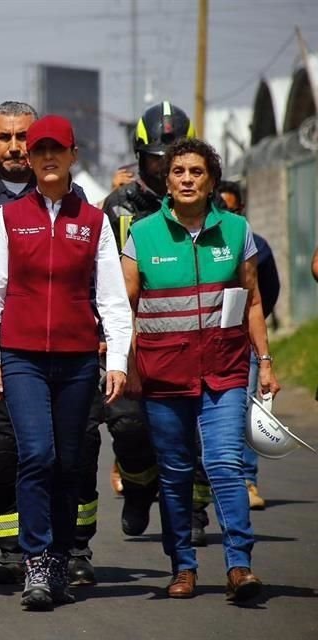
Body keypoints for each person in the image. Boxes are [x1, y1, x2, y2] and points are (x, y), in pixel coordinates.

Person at [0, 101, 103, 586]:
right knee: (0, 449)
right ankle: (14, 550)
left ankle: (74, 546)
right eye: (3, 137)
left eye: (22, 138)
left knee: (78, 448)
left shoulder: (68, 195)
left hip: (70, 346)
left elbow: (100, 274)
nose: (15, 147)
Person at [0, 115, 132, 611]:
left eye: (55, 150)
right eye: (38, 150)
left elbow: (111, 298)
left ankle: (61, 555)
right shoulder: (10, 217)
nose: (45, 157)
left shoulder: (93, 222)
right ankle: (37, 560)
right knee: (36, 455)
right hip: (21, 357)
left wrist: (119, 359)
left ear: (72, 155)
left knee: (70, 462)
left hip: (79, 359)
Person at [121, 138, 279, 601]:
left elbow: (253, 300)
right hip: (163, 375)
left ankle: (239, 566)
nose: (187, 179)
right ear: (166, 181)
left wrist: (264, 361)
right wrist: (126, 365)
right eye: (179, 172)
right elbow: (124, 305)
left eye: (197, 172)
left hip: (225, 370)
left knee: (225, 464)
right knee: (174, 472)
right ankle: (182, 568)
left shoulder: (236, 229)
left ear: (211, 181)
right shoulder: (143, 234)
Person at [101, 101, 196, 537]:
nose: (164, 170)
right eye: (156, 158)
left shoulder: (206, 205)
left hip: (192, 338)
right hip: (132, 340)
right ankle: (139, 488)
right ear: (140, 156)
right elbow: (96, 274)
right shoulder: (118, 207)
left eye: (172, 159)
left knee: (192, 430)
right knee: (129, 426)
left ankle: (192, 511)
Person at [187, 181, 280, 546]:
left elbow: (265, 293)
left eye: (230, 207)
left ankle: (246, 480)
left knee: (245, 410)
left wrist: (255, 338)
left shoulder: (252, 243)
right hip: (193, 353)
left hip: (240, 345)